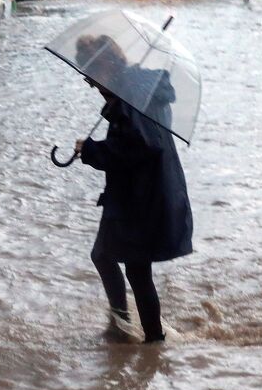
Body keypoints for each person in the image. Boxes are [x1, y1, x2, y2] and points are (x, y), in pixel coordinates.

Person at [72, 35, 193, 344]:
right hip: (137, 194)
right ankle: (129, 330)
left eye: (89, 73)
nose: (88, 81)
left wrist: (92, 151)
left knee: (130, 267)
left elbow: (141, 145)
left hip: (143, 198)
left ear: (104, 64)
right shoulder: (132, 90)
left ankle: (146, 337)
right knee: (110, 257)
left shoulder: (131, 95)